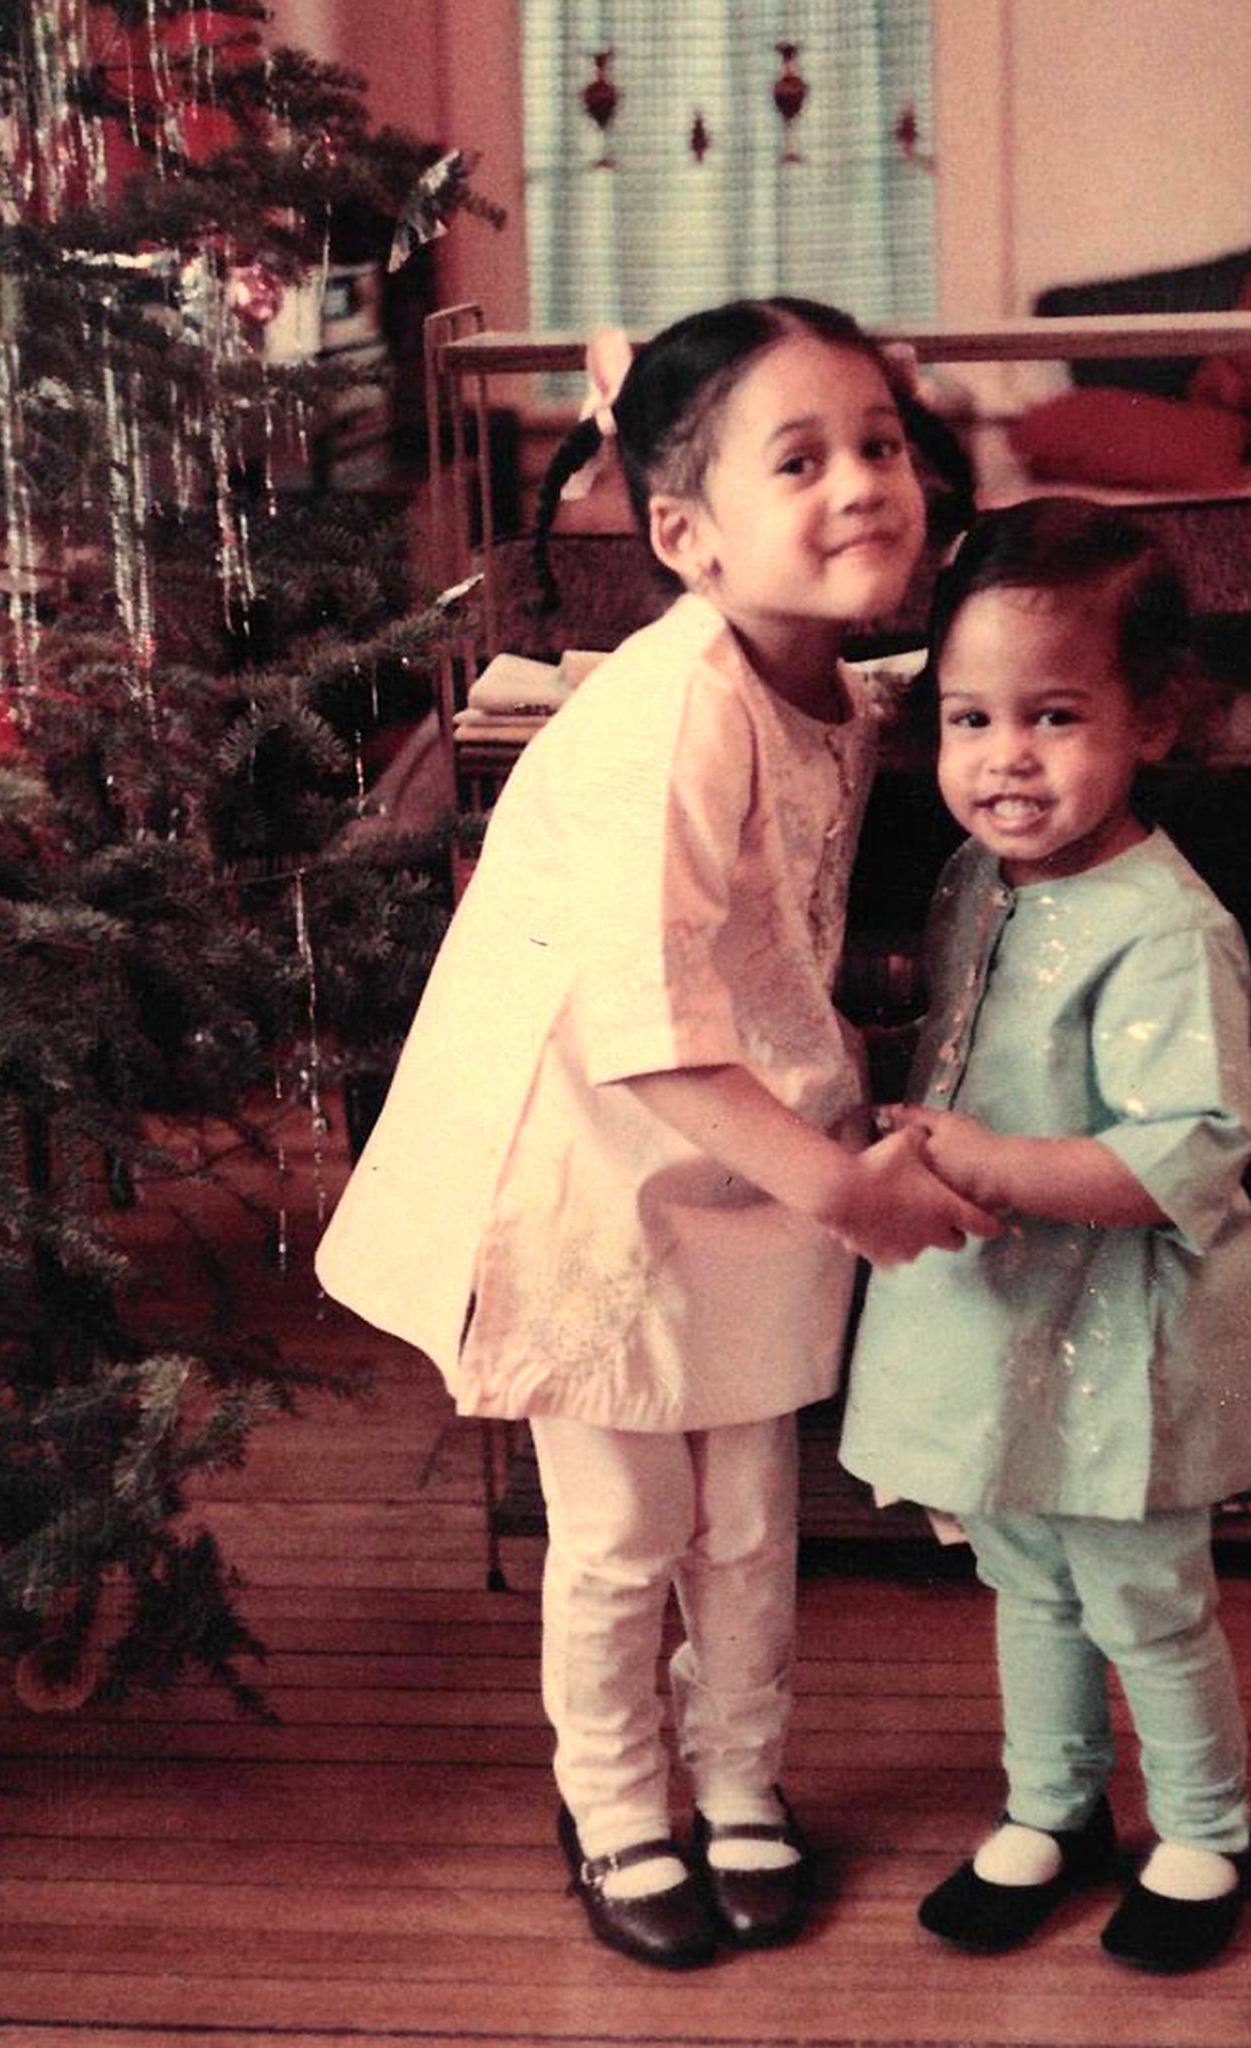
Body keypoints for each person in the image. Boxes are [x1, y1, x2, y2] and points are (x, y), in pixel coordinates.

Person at [316, 297, 994, 1970]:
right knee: (624, 1535)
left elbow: (844, 763)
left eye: (881, 445)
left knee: (753, 1520)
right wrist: (854, 1194)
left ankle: (744, 1780)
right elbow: (640, 1035)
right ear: (685, 538)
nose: (861, 485)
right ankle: (619, 1805)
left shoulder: (820, 673)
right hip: (599, 1179)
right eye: (803, 459)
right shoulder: (668, 717)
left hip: (746, 1156)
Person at [839, 497, 1251, 1975]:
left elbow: (1187, 1152)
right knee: (1020, 1571)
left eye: (1054, 716)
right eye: (970, 717)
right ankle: (1054, 1806)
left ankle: (1209, 1828)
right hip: (1004, 1319)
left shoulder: (1168, 925)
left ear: (1153, 720)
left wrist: (984, 1158)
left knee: (1142, 1594)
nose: (1004, 759)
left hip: (1118, 1342)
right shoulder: (981, 879)